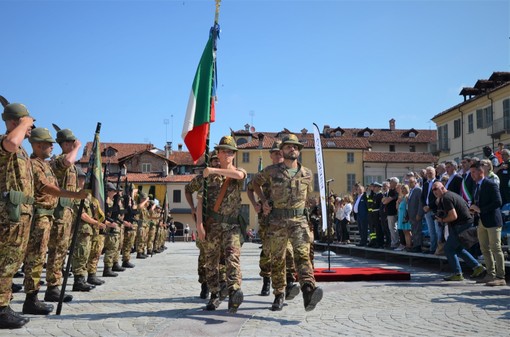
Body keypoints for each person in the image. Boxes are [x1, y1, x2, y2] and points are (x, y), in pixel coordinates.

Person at [253, 134, 323, 312]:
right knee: (278, 259)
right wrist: (263, 201)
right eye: (289, 146)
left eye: (296, 147)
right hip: (277, 221)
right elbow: (253, 184)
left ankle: (308, 290)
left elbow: (307, 200)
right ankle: (278, 294)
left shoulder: (307, 173)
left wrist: (310, 225)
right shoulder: (271, 171)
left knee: (302, 255)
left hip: (299, 221)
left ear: (299, 151)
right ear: (282, 150)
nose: (293, 149)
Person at [23, 128, 88, 315]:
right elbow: (50, 185)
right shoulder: (46, 162)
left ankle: (50, 289)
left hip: (53, 215)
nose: (52, 146)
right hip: (43, 215)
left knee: (56, 252)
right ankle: (32, 297)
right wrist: (79, 147)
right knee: (37, 256)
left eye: (53, 143)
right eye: (49, 143)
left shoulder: (46, 165)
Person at [196, 136, 246, 313]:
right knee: (211, 263)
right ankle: (215, 294)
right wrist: (199, 225)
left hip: (232, 227)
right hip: (213, 227)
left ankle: (234, 292)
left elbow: (239, 175)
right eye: (225, 150)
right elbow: (200, 203)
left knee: (233, 259)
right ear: (218, 153)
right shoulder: (208, 178)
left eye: (231, 151)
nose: (228, 154)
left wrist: (215, 171)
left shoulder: (237, 173)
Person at [247, 141, 298, 300]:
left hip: (285, 218)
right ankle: (266, 280)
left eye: (280, 152)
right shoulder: (267, 172)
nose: (279, 155)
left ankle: (289, 282)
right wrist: (257, 203)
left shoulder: (290, 171)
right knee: (268, 251)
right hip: (268, 218)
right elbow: (250, 187)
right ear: (271, 155)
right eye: (275, 153)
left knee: (288, 250)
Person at [0, 103, 35, 329]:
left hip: (21, 214)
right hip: (8, 215)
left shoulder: (22, 150)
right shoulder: (6, 142)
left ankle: (5, 304)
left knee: (12, 262)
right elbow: (11, 142)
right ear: (15, 121)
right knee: (5, 261)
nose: (31, 127)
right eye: (27, 122)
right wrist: (24, 122)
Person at [45, 128, 82, 303]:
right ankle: (52, 287)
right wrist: (78, 147)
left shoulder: (72, 164)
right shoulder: (60, 160)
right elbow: (67, 161)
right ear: (64, 144)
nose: (73, 145)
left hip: (68, 213)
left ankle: (55, 285)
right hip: (59, 213)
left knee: (62, 250)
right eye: (70, 143)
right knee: (57, 250)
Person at [431, 181, 486, 281]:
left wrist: (442, 220)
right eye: (433, 190)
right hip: (465, 223)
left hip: (461, 224)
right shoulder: (449, 195)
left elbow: (453, 216)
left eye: (436, 189)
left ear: (442, 188)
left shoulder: (446, 198)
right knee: (458, 248)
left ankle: (457, 273)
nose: (434, 191)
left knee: (448, 248)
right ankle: (478, 267)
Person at [468, 161, 507, 286]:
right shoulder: (476, 186)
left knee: (496, 248)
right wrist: (473, 209)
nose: (472, 175)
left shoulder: (490, 184)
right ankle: (490, 274)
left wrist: (481, 209)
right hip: (481, 221)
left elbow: (498, 202)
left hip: (493, 221)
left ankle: (501, 276)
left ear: (481, 172)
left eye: (474, 172)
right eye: (471, 172)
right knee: (484, 248)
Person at [420, 167, 440, 254]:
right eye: (428, 172)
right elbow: (422, 197)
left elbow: (438, 196)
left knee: (438, 231)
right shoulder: (425, 184)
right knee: (431, 231)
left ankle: (439, 249)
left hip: (435, 209)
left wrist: (429, 206)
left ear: (435, 172)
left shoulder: (438, 183)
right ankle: (433, 248)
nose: (429, 174)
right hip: (427, 210)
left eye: (431, 172)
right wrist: (424, 206)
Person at [407, 176, 424, 252]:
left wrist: (419, 214)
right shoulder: (412, 190)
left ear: (415, 182)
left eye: (411, 182)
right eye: (409, 182)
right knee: (414, 230)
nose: (409, 184)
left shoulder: (418, 190)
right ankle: (415, 245)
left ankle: (418, 246)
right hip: (412, 214)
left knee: (417, 230)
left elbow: (421, 203)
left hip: (416, 214)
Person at [382, 177, 399, 249]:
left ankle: (395, 243)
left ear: (395, 183)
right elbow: (384, 201)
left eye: (391, 182)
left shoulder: (395, 191)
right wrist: (386, 200)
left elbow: (387, 200)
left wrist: (386, 200)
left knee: (393, 228)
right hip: (389, 212)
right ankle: (393, 242)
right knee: (390, 228)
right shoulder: (391, 191)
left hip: (393, 212)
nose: (390, 183)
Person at [396, 184, 411, 251]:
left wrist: (407, 216)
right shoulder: (401, 197)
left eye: (404, 188)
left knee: (407, 231)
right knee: (404, 231)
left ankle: (409, 245)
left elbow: (408, 207)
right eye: (402, 188)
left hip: (405, 216)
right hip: (401, 215)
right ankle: (407, 245)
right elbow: (397, 208)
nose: (403, 190)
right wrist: (398, 202)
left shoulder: (407, 197)